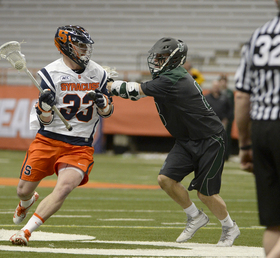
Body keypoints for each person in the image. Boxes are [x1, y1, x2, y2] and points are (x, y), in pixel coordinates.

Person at [107, 37, 240, 246]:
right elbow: (137, 93)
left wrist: (107, 85)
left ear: (173, 59)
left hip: (210, 139)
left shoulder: (173, 79)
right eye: (157, 57)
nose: (156, 62)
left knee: (206, 194)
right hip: (186, 139)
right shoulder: (168, 77)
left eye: (161, 58)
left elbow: (135, 91)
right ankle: (195, 216)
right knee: (165, 180)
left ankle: (230, 227)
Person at [9, 25, 114, 246]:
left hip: (80, 145)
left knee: (64, 187)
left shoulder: (99, 73)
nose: (85, 51)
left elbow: (107, 112)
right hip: (48, 139)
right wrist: (45, 108)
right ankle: (26, 202)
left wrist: (104, 105)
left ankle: (25, 232)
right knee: (23, 190)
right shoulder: (50, 73)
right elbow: (44, 120)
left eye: (87, 46)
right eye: (81, 46)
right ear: (66, 47)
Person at [235, 1, 280, 256]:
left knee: (274, 222)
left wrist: (245, 144)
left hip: (262, 128)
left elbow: (242, 96)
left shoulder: (258, 35)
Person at [219, 74, 234, 160]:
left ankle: (227, 154)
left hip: (227, 118)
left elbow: (231, 106)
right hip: (219, 117)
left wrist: (228, 118)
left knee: (227, 136)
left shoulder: (229, 93)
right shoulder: (218, 92)